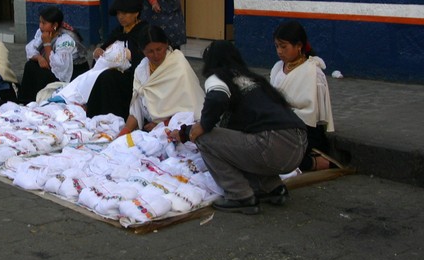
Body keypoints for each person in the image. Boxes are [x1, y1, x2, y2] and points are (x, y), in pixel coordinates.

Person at [170, 41, 307, 215]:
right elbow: (232, 137)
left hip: (273, 145)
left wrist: (201, 126)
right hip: (298, 144)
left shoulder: (218, 78)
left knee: (204, 139)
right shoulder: (252, 79)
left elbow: (217, 99)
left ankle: (240, 196)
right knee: (238, 146)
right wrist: (186, 131)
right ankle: (272, 188)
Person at [269, 20, 335, 171]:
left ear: (299, 46)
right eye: (277, 46)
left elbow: (315, 116)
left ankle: (316, 163)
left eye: (284, 47)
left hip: (305, 131)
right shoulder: (277, 68)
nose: (279, 51)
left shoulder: (313, 73)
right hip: (279, 124)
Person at [118, 25, 203, 136]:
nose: (156, 55)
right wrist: (125, 132)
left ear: (167, 45)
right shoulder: (141, 70)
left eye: (159, 49)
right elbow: (136, 109)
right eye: (150, 52)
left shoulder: (178, 65)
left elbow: (190, 110)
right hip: (153, 129)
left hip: (182, 129)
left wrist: (163, 124)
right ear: (142, 51)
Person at [86, 0, 150, 119]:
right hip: (113, 72)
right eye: (119, 13)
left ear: (136, 13)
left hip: (134, 77)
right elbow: (105, 49)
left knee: (108, 77)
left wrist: (131, 56)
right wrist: (99, 52)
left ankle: (110, 116)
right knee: (95, 75)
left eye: (125, 13)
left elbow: (146, 58)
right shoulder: (118, 31)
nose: (121, 17)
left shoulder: (144, 32)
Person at [19, 5, 89, 103]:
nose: (40, 26)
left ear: (55, 25)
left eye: (44, 23)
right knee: (30, 65)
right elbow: (31, 48)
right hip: (54, 66)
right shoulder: (43, 32)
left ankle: (41, 101)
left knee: (42, 74)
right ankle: (26, 100)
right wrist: (39, 57)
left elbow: (59, 67)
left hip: (70, 72)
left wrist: (47, 43)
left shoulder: (66, 39)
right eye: (40, 22)